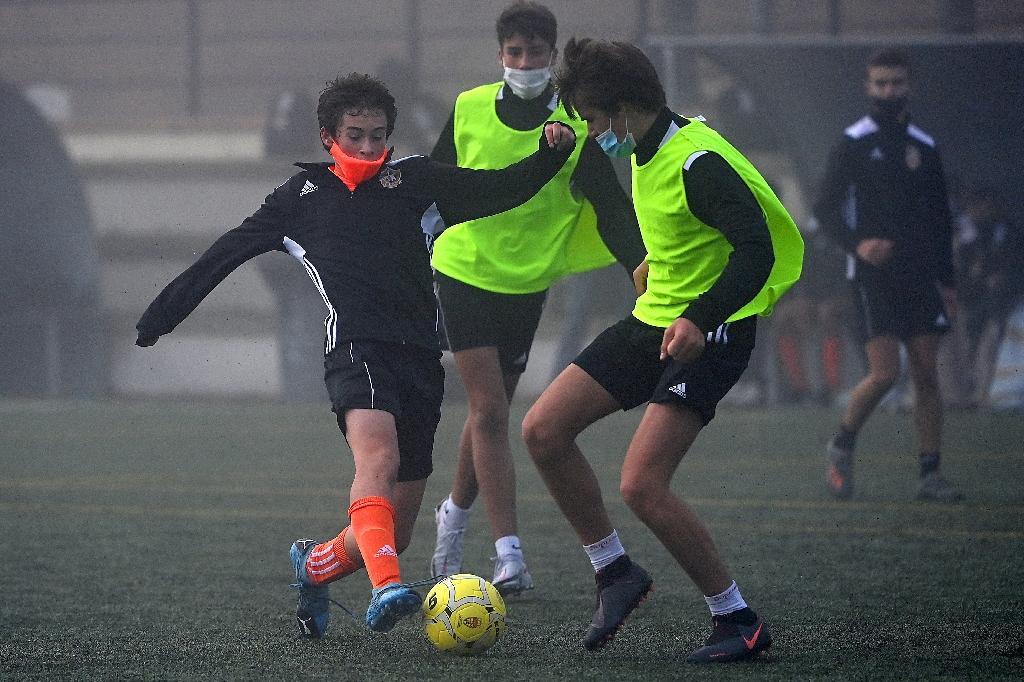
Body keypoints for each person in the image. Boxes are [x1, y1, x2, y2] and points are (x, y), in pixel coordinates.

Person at [135, 73, 577, 638]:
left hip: (420, 359)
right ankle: (386, 586)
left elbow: (500, 189)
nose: (369, 147)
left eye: (378, 135)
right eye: (355, 135)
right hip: (353, 349)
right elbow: (226, 253)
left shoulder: (416, 181)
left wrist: (547, 154)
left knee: (399, 526)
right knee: (378, 459)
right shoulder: (298, 199)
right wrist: (161, 316)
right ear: (327, 138)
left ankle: (316, 566)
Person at [521, 39, 802, 661]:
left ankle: (739, 621)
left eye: (593, 120)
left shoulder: (696, 161)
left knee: (643, 485)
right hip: (657, 319)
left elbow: (756, 251)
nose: (591, 134)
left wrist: (702, 317)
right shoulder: (646, 144)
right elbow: (689, 230)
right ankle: (615, 572)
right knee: (543, 429)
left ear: (623, 107)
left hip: (714, 330)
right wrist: (658, 261)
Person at [427, 1, 644, 595]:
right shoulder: (469, 108)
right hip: (463, 269)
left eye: (536, 53)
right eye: (514, 53)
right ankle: (509, 555)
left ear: (553, 57)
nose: (524, 63)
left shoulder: (577, 128)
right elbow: (436, 183)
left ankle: (453, 514)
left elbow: (612, 207)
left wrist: (640, 267)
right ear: (500, 55)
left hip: (526, 285)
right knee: (492, 410)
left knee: (486, 412)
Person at [814, 49, 961, 502]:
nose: (887, 91)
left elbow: (940, 219)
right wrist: (858, 243)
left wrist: (949, 281)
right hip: (873, 276)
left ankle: (929, 474)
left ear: (908, 86)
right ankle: (840, 444)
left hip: (920, 276)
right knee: (884, 374)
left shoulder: (925, 146)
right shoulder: (853, 142)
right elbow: (824, 208)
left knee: (925, 374)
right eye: (879, 83)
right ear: (868, 87)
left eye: (895, 83)